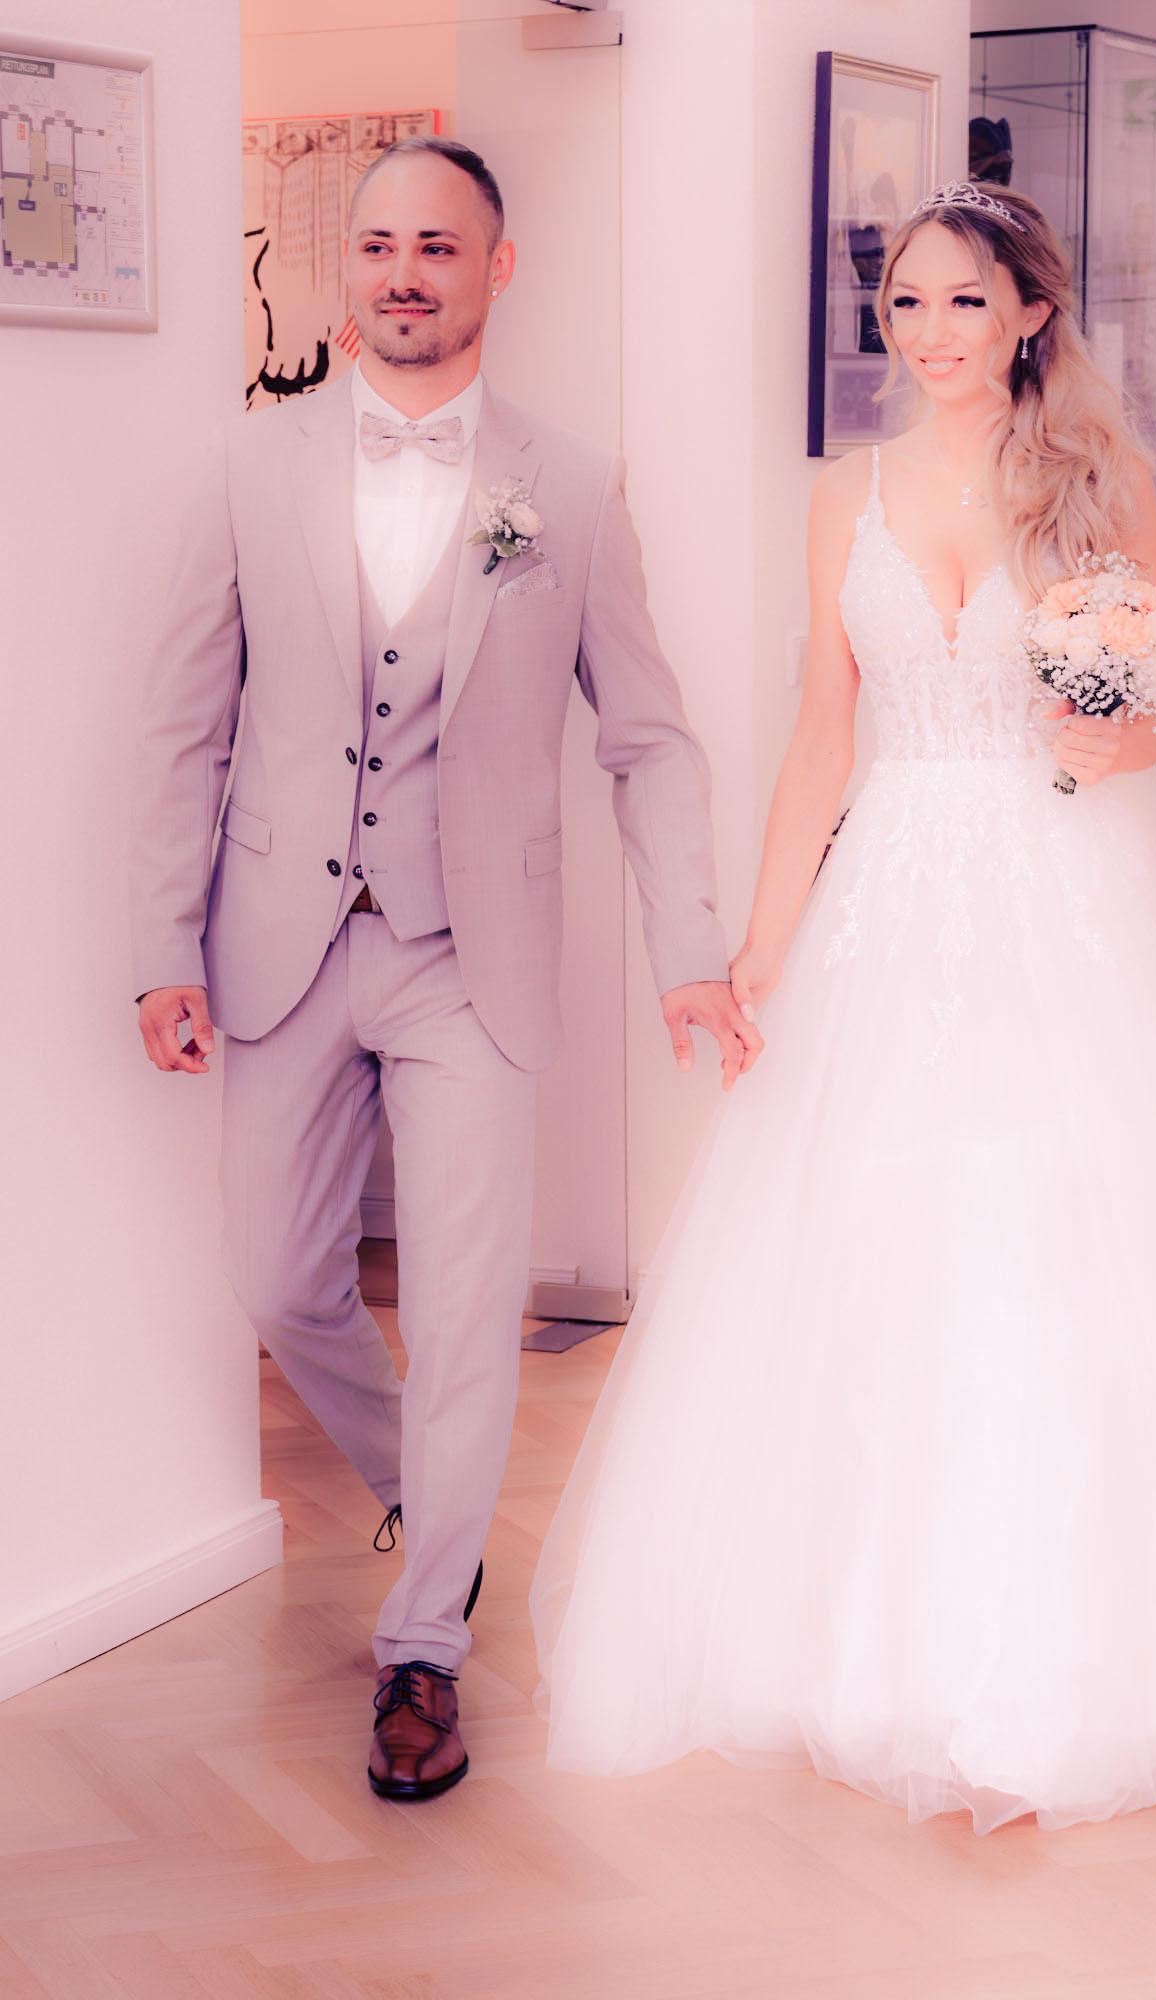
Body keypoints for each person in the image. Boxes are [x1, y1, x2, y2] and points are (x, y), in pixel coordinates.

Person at [529, 181, 1156, 1831]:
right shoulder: (847, 494)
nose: (931, 332)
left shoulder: (1105, 478)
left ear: (1032, 310)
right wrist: (761, 943)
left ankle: (1069, 1654)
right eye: (906, 301)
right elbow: (822, 736)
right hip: (893, 896)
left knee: (1057, 1226)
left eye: (965, 299)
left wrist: (1117, 732)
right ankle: (868, 1644)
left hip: (1066, 890)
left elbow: (1153, 711)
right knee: (883, 1228)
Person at [130, 136, 758, 1803]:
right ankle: (436, 1499)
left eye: (439, 245)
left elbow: (651, 741)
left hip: (470, 960)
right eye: (381, 245)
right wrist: (159, 944)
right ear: (350, 266)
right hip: (278, 945)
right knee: (279, 1279)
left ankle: (424, 1650)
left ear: (497, 267)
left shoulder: (573, 486)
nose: (405, 272)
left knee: (471, 1311)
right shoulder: (248, 465)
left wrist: (689, 948)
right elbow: (187, 727)